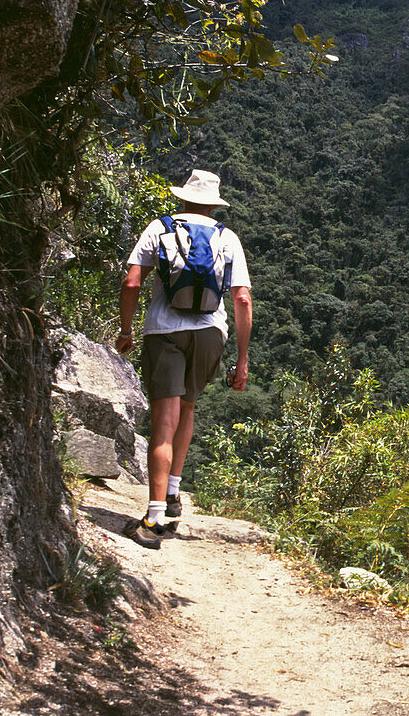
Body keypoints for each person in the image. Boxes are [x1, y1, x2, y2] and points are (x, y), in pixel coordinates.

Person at [116, 169, 252, 549]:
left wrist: (126, 331)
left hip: (164, 330)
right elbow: (241, 298)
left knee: (164, 419)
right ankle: (173, 493)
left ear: (183, 198)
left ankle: (153, 518)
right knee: (187, 408)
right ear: (213, 203)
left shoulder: (158, 228)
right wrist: (242, 359)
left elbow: (131, 283)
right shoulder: (228, 238)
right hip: (211, 332)